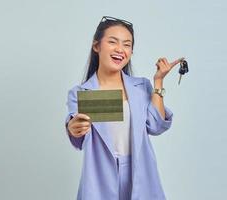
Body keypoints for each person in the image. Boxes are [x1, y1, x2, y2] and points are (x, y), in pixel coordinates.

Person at [65, 16, 184, 200]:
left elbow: (156, 126)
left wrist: (158, 81)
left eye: (127, 45)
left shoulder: (141, 87)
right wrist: (73, 128)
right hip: (100, 175)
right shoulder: (81, 93)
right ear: (96, 46)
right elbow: (77, 133)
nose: (120, 49)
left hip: (140, 171)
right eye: (113, 42)